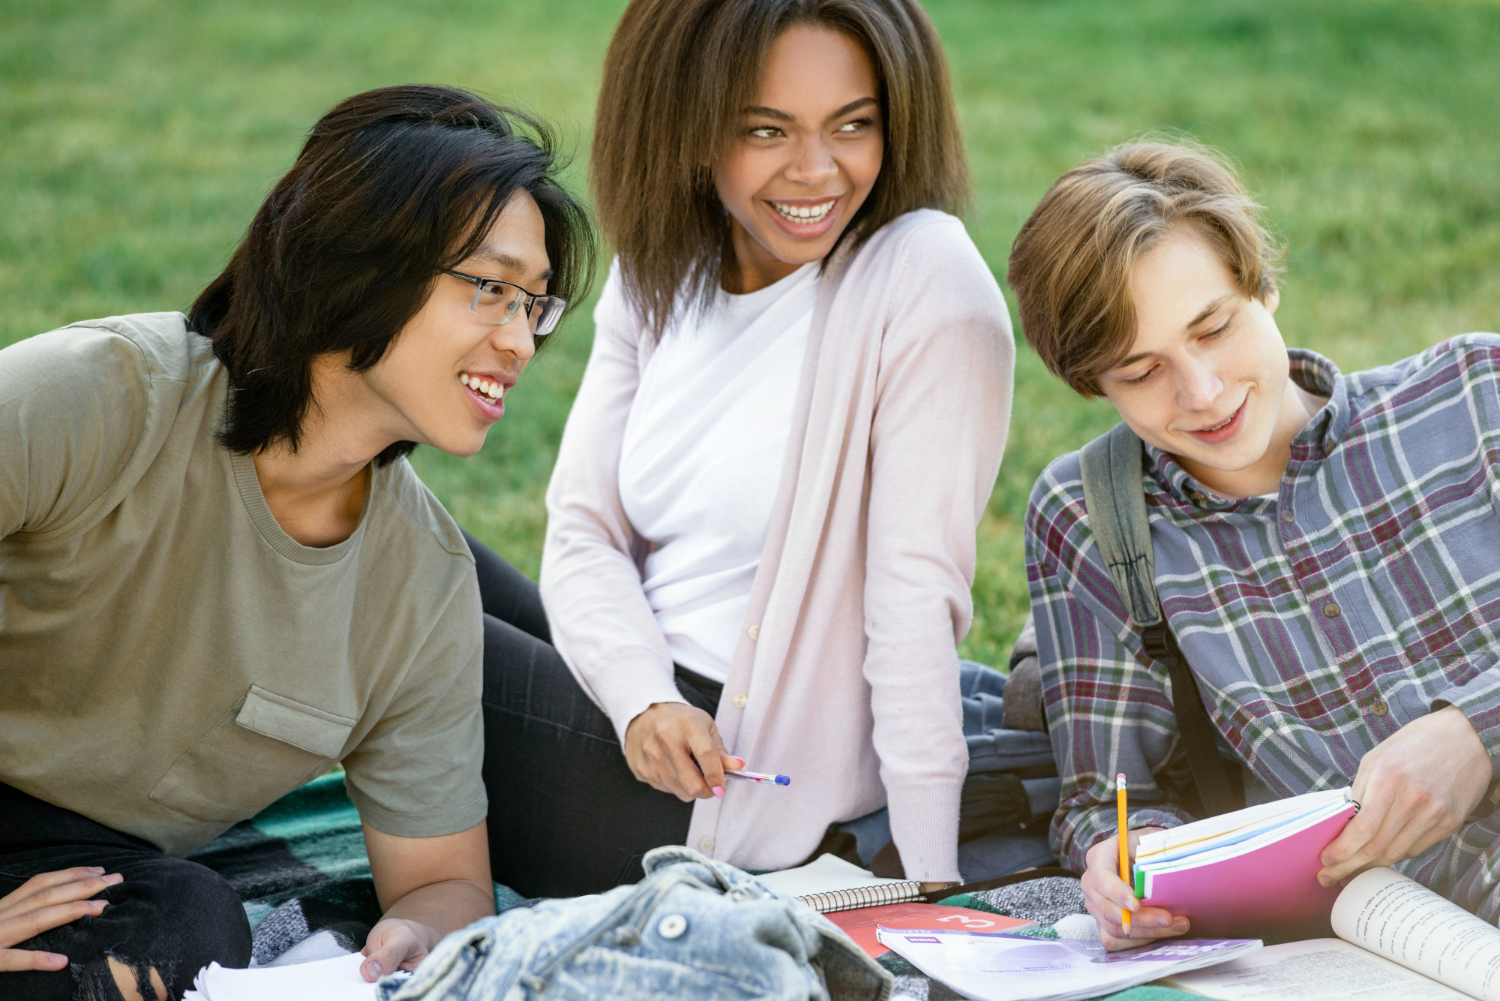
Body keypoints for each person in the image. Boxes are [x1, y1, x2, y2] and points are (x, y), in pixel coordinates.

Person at [0, 85, 593, 999]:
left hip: (82, 857)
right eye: (490, 288)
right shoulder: (92, 398)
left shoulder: (421, 581)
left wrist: (419, 933)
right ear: (354, 264)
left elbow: (443, 881)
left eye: (536, 306)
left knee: (188, 932)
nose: (520, 339)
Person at [472, 0, 1014, 898]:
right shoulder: (661, 269)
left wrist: (929, 882)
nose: (816, 169)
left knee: (374, 584)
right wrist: (642, 696)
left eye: (854, 124)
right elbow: (583, 531)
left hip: (716, 795)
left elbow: (915, 599)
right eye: (766, 129)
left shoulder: (921, 279)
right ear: (686, 124)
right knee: (396, 540)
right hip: (641, 708)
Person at [1006, 139, 1500, 950]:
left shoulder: (1476, 396)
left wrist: (1473, 729)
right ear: (1092, 384)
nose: (1200, 393)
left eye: (1213, 326)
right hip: (1405, 949)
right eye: (1140, 371)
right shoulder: (1093, 517)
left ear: (1262, 283)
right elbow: (1109, 799)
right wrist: (1128, 863)